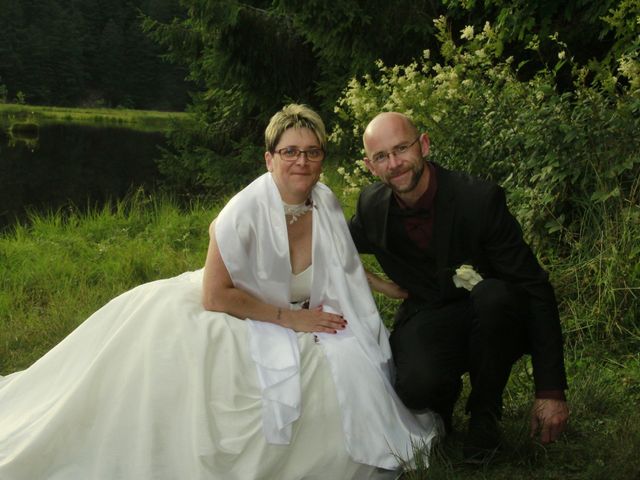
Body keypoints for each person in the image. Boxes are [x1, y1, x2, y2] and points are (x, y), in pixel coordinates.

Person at [0, 104, 439, 480]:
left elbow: (340, 261)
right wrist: (291, 319)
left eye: (311, 152)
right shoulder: (244, 210)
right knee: (230, 369)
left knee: (347, 356)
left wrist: (381, 284)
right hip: (231, 308)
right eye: (289, 152)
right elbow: (215, 295)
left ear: (322, 158)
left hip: (285, 308)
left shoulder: (323, 200)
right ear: (269, 159)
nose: (301, 162)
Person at [348, 111, 569, 463]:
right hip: (429, 314)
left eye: (401, 148)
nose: (394, 163)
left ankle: (485, 414)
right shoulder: (371, 206)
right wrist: (374, 282)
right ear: (370, 165)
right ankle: (441, 402)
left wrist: (551, 390)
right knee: (413, 388)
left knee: (494, 297)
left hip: (492, 315)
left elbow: (535, 288)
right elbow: (330, 244)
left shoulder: (478, 201)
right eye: (381, 156)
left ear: (423, 145)